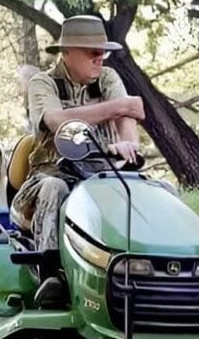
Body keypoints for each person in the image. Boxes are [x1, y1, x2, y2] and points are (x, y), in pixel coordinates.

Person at [11, 15, 146, 253]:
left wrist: (129, 146)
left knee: (159, 191)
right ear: (66, 52)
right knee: (56, 188)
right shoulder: (43, 83)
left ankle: (160, 269)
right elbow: (56, 121)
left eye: (102, 52)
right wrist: (118, 107)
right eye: (91, 52)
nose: (99, 58)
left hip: (104, 175)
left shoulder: (107, 78)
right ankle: (49, 274)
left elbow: (128, 120)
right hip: (49, 176)